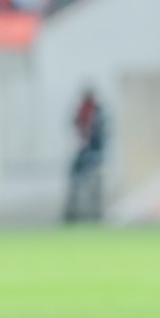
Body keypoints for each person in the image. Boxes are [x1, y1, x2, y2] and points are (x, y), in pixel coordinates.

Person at [63, 88, 107, 222]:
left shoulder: (96, 112)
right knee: (77, 185)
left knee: (93, 186)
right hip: (82, 152)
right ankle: (73, 214)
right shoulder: (81, 111)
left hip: (93, 152)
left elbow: (100, 133)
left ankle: (94, 215)